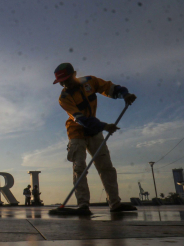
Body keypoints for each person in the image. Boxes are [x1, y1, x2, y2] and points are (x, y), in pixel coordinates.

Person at [49, 62, 138, 215]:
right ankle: (83, 205)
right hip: (77, 133)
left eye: (67, 79)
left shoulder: (90, 81)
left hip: (95, 131)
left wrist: (125, 94)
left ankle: (115, 204)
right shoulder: (64, 98)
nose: (65, 84)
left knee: (106, 167)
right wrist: (103, 126)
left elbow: (110, 88)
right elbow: (80, 119)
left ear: (74, 74)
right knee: (79, 169)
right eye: (61, 82)